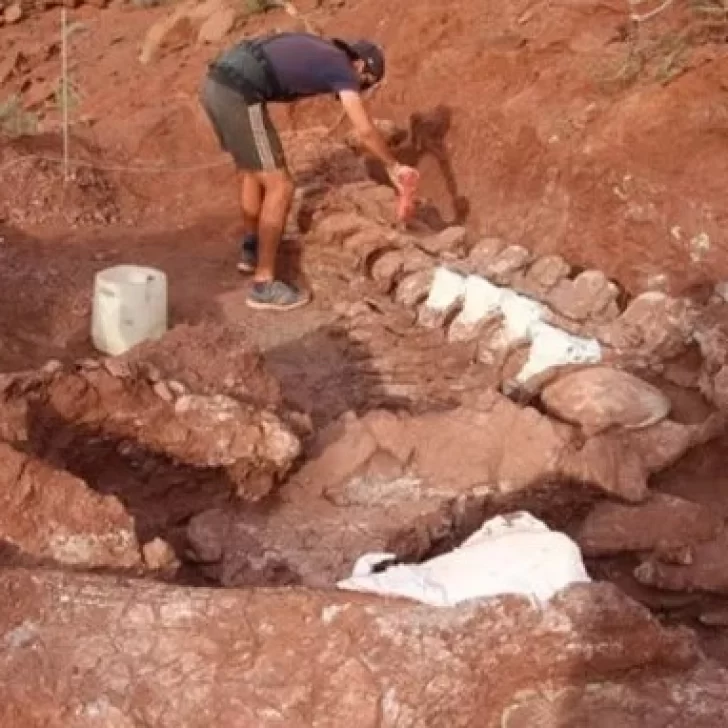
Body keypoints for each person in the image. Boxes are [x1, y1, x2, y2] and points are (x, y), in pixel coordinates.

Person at [200, 31, 419, 312]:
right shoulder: (342, 68)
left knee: (252, 170)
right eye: (364, 84)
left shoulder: (321, 50)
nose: (358, 89)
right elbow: (364, 131)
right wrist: (393, 166)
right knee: (281, 185)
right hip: (238, 93)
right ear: (361, 66)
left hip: (215, 84)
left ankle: (251, 249)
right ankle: (264, 284)